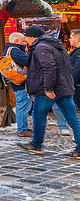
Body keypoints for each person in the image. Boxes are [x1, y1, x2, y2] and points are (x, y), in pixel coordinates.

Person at [18, 26, 80, 159]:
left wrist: (49, 88)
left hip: (49, 89)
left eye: (26, 38)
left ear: (32, 37)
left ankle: (36, 144)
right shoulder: (56, 46)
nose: (26, 41)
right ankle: (79, 149)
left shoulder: (41, 47)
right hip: (64, 88)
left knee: (38, 115)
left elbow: (49, 67)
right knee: (73, 119)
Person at [5, 32, 34, 137]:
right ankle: (22, 129)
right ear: (16, 41)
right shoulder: (15, 50)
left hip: (17, 82)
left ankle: (23, 127)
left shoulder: (9, 50)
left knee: (23, 104)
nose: (25, 43)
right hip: (22, 83)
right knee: (23, 105)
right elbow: (29, 61)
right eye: (24, 41)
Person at [70, 28, 80, 113]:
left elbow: (77, 70)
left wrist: (71, 82)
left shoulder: (78, 53)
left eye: (71, 38)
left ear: (77, 39)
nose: (69, 40)